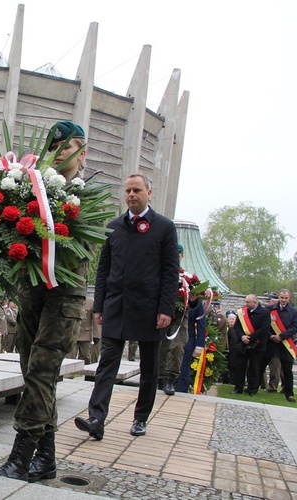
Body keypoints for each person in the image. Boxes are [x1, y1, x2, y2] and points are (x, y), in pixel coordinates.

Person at [0, 121, 91, 482]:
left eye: (68, 146)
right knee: (31, 371)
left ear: (83, 152)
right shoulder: (32, 188)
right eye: (55, 146)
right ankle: (45, 458)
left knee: (42, 372)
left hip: (64, 297)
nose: (60, 152)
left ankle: (21, 456)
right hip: (32, 291)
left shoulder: (88, 197)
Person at [75, 172, 178, 442]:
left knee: (149, 368)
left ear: (148, 193)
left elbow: (170, 272)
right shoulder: (114, 226)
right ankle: (96, 418)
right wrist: (99, 305)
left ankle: (140, 418)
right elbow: (103, 269)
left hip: (149, 308)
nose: (131, 195)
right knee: (106, 363)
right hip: (116, 306)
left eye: (137, 190)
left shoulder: (164, 227)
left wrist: (166, 308)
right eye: (128, 191)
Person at [157, 245, 188, 396]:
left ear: (182, 256)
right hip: (161, 313)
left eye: (178, 254)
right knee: (160, 346)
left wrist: (193, 299)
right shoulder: (158, 272)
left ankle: (171, 378)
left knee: (177, 346)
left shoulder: (186, 277)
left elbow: (195, 302)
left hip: (180, 316)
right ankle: (160, 379)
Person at [228, 294, 270, 395]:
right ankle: (238, 387)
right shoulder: (242, 312)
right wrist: (242, 336)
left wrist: (250, 338)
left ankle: (252, 389)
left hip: (257, 344)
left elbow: (264, 329)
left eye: (248, 302)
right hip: (242, 344)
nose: (245, 304)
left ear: (255, 302)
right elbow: (237, 327)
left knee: (254, 368)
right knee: (240, 367)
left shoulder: (265, 312)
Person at [265, 289, 297, 402]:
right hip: (271, 342)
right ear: (278, 297)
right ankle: (253, 388)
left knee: (287, 369)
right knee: (261, 364)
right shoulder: (270, 309)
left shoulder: (294, 311)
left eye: (285, 298)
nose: (283, 300)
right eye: (281, 297)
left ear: (289, 298)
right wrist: (271, 336)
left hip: (285, 343)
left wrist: (281, 336)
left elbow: (295, 327)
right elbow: (265, 325)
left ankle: (289, 393)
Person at [176, 290, 207, 393]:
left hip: (189, 339)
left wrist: (199, 346)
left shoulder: (197, 305)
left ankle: (181, 390)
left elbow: (201, 325)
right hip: (172, 337)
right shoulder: (176, 299)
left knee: (184, 366)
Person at [72, 297, 98, 364]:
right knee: (70, 356)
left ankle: (86, 372)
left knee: (85, 356)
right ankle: (70, 374)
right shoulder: (71, 301)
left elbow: (95, 321)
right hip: (72, 333)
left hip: (85, 334)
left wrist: (96, 335)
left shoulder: (90, 303)